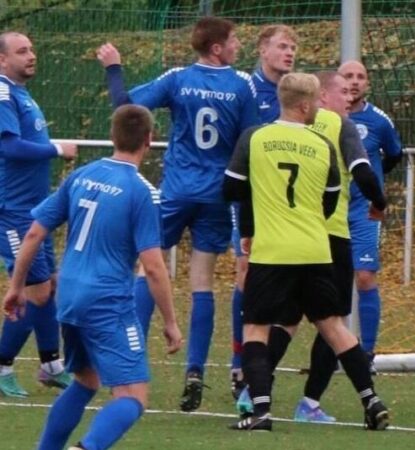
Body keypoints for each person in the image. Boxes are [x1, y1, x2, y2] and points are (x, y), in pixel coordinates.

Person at [96, 16, 260, 411]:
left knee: (147, 268)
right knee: (201, 282)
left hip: (176, 191)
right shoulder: (241, 86)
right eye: (234, 40)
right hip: (218, 195)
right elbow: (251, 141)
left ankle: (127, 364)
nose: (238, 45)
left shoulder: (178, 78)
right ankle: (195, 371)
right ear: (217, 48)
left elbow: (125, 107)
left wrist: (114, 68)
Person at [2, 104, 182, 450]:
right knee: (133, 396)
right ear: (149, 139)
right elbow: (154, 266)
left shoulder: (81, 176)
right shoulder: (142, 191)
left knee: (86, 379)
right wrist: (171, 321)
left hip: (68, 297)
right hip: (107, 300)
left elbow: (34, 234)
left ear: (112, 136)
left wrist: (15, 287)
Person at [223, 72, 389, 431]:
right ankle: (371, 401)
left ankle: (260, 409)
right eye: (317, 101)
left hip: (272, 251)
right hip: (318, 247)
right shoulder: (323, 144)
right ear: (305, 103)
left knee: (258, 327)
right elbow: (331, 199)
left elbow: (231, 189)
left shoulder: (256, 138)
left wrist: (254, 225)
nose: (322, 106)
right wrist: (311, 220)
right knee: (333, 326)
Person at [0, 31, 78, 397]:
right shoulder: (1, 93)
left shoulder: (20, 93)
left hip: (34, 208)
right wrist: (55, 148)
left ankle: (51, 364)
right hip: (11, 210)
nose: (31, 55)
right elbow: (11, 147)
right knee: (33, 291)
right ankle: (2, 365)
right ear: (2, 60)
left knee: (46, 287)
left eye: (32, 48)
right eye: (21, 51)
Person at [229, 24, 299, 400]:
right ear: (262, 49)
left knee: (284, 292)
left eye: (292, 48)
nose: (289, 53)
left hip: (285, 207)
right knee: (245, 275)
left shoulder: (295, 93)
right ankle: (239, 363)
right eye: (282, 46)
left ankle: (257, 364)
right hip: (250, 199)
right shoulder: (245, 90)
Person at [337, 60, 403, 368]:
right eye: (348, 76)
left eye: (360, 76)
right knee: (329, 281)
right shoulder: (323, 117)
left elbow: (394, 155)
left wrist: (373, 184)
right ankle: (334, 346)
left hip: (364, 211)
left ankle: (368, 352)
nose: (353, 81)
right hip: (329, 210)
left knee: (364, 277)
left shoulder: (379, 121)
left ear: (367, 84)